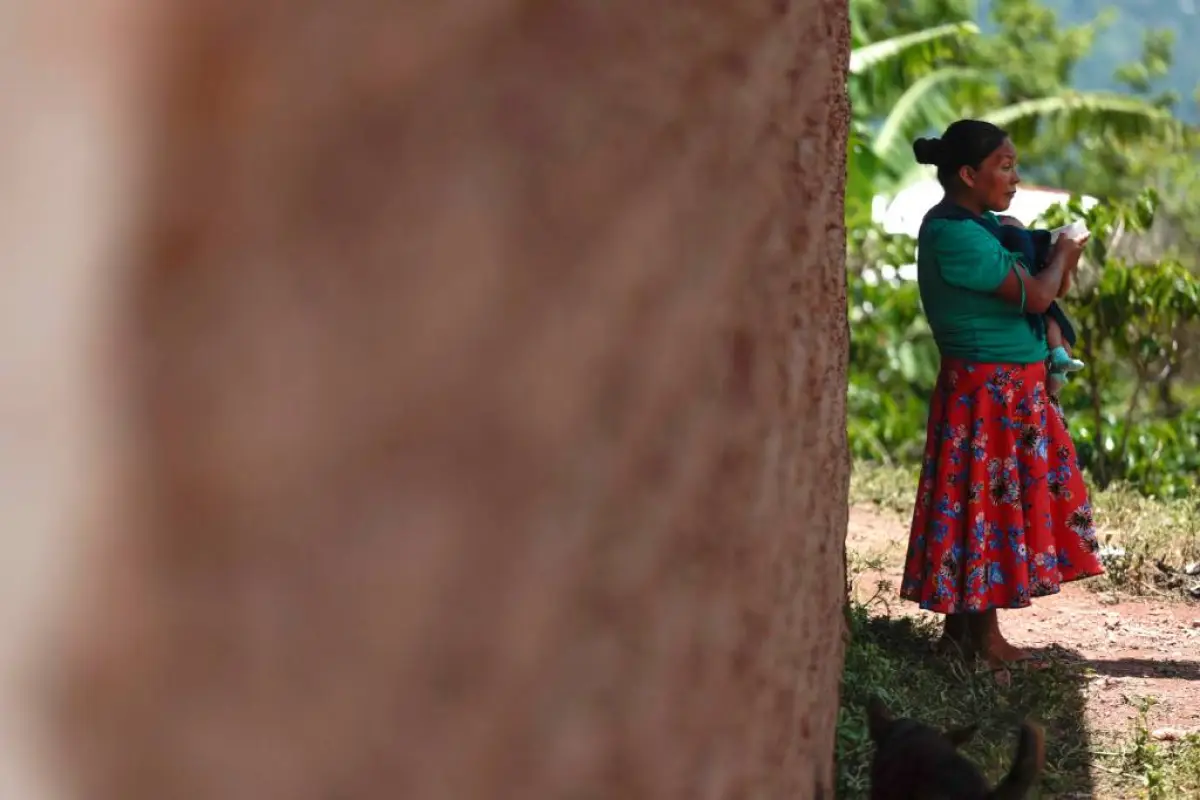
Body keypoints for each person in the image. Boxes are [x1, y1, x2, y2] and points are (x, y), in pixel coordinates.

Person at [899, 119, 1105, 672]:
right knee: (986, 506)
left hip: (1002, 391)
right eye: (1005, 166)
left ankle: (962, 634)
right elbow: (1040, 296)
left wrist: (1062, 256)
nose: (1014, 178)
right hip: (984, 394)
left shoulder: (983, 227)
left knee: (979, 504)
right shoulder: (956, 234)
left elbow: (1050, 287)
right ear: (968, 174)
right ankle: (986, 643)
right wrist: (1063, 249)